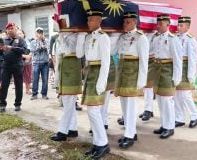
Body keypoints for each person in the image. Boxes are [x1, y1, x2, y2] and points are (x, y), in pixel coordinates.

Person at [76, 9, 111, 159]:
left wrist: (101, 82)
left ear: (99, 21)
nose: (89, 22)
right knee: (92, 112)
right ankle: (98, 143)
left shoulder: (104, 38)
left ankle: (103, 144)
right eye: (88, 20)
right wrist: (80, 37)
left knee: (94, 111)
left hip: (98, 75)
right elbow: (80, 55)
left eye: (92, 20)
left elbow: (106, 63)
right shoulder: (89, 37)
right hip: (90, 73)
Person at [115, 12, 149, 148]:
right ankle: (131, 132)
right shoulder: (122, 37)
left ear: (135, 22)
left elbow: (144, 61)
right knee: (124, 105)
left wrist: (142, 80)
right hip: (122, 72)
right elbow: (116, 51)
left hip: (133, 74)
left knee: (130, 106)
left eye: (128, 22)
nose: (125, 24)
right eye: (124, 22)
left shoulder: (141, 38)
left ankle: (129, 135)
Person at [151, 14, 182, 139]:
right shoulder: (156, 38)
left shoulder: (173, 39)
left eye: (161, 24)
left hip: (168, 70)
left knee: (167, 100)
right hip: (157, 69)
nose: (158, 26)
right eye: (157, 24)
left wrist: (177, 77)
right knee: (159, 99)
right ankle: (164, 124)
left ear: (168, 25)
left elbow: (178, 59)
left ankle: (170, 127)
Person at [49, 32, 81, 142]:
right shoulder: (58, 38)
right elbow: (57, 60)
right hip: (63, 72)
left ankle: (63, 131)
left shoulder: (77, 35)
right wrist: (57, 79)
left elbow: (79, 53)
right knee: (68, 104)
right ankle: (72, 129)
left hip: (72, 71)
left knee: (68, 103)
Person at [174, 16, 197, 128]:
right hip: (177, 68)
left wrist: (191, 74)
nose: (179, 27)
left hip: (185, 68)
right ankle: (179, 118)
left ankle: (194, 116)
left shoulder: (190, 39)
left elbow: (192, 59)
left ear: (188, 26)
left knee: (185, 95)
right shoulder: (175, 37)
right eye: (178, 25)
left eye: (181, 25)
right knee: (177, 95)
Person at [0, 22, 27, 112]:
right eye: (8, 29)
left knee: (18, 85)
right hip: (6, 65)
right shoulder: (3, 40)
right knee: (4, 85)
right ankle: (2, 104)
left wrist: (12, 48)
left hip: (17, 64)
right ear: (6, 30)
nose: (10, 30)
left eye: (12, 28)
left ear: (16, 29)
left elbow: (24, 50)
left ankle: (17, 104)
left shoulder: (21, 40)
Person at [30, 27, 50, 100]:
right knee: (35, 79)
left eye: (41, 32)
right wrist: (39, 47)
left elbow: (48, 48)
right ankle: (34, 94)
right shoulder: (33, 42)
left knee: (45, 79)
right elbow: (32, 51)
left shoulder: (47, 41)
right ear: (35, 33)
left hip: (45, 62)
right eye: (38, 32)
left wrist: (43, 42)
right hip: (36, 63)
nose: (39, 34)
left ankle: (44, 94)